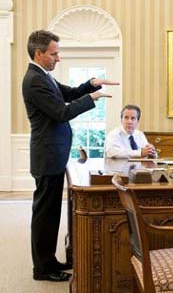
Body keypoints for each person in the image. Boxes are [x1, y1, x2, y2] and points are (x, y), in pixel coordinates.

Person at [22, 30, 119, 282]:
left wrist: (91, 84)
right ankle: (42, 269)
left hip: (52, 155)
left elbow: (68, 93)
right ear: (39, 53)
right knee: (44, 214)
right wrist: (92, 98)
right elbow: (60, 112)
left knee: (51, 213)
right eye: (54, 53)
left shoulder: (45, 76)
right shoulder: (35, 80)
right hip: (47, 157)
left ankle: (50, 261)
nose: (59, 58)